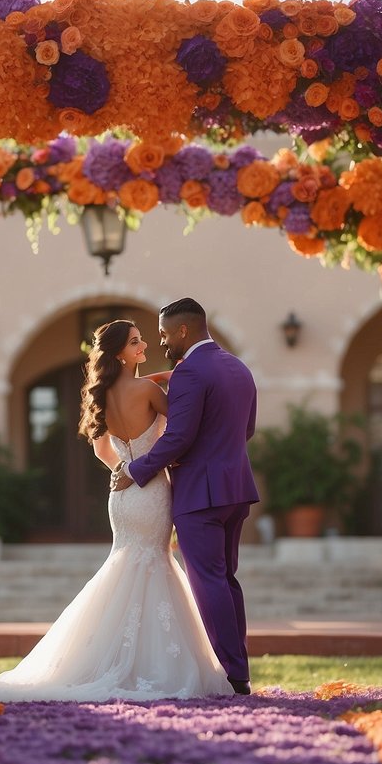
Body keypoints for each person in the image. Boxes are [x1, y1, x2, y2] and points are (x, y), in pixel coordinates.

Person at [0, 319, 232, 702]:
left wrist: (123, 470)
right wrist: (167, 385)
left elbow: (100, 449)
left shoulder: (103, 394)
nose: (143, 345)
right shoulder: (147, 390)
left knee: (126, 565)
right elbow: (183, 424)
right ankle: (152, 663)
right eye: (135, 342)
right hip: (151, 489)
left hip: (122, 494)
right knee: (154, 564)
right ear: (119, 352)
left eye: (142, 340)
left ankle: (108, 657)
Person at [111, 298, 258, 695]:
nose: (160, 342)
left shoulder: (191, 372)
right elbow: (247, 430)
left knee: (207, 580)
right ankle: (238, 666)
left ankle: (231, 674)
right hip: (236, 488)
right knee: (226, 578)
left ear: (182, 331)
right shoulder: (237, 367)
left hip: (200, 493)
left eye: (162, 334)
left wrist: (134, 471)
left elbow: (179, 436)